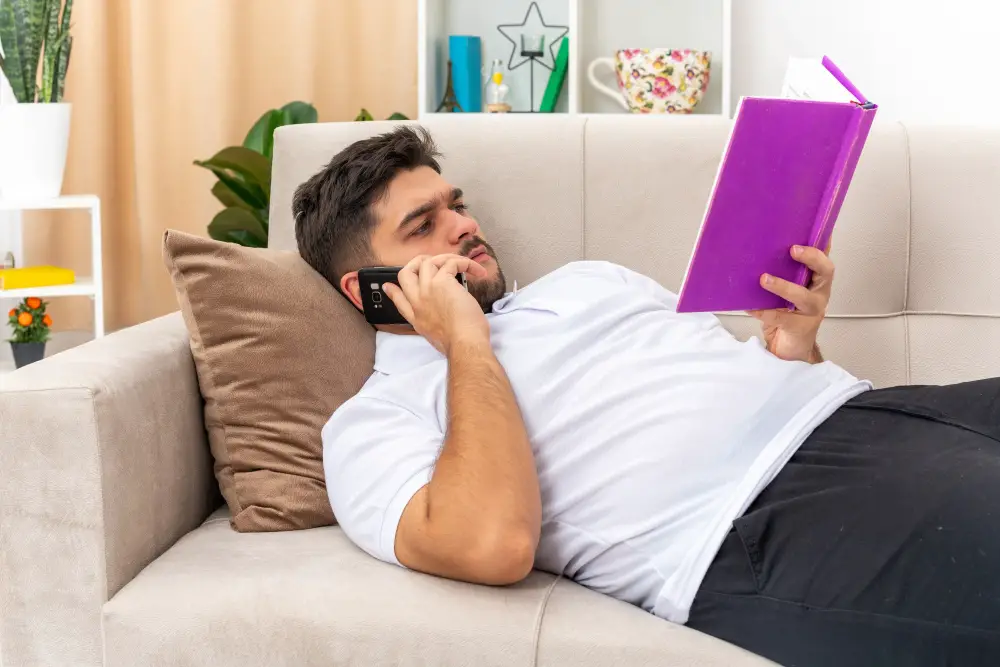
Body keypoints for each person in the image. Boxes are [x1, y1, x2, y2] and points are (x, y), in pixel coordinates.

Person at [292, 126, 1000, 666]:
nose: (464, 225)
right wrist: (464, 342)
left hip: (872, 415)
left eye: (457, 206)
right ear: (370, 288)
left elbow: (722, 383)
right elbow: (493, 542)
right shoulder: (374, 420)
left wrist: (791, 347)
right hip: (760, 528)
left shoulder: (587, 280)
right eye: (425, 225)